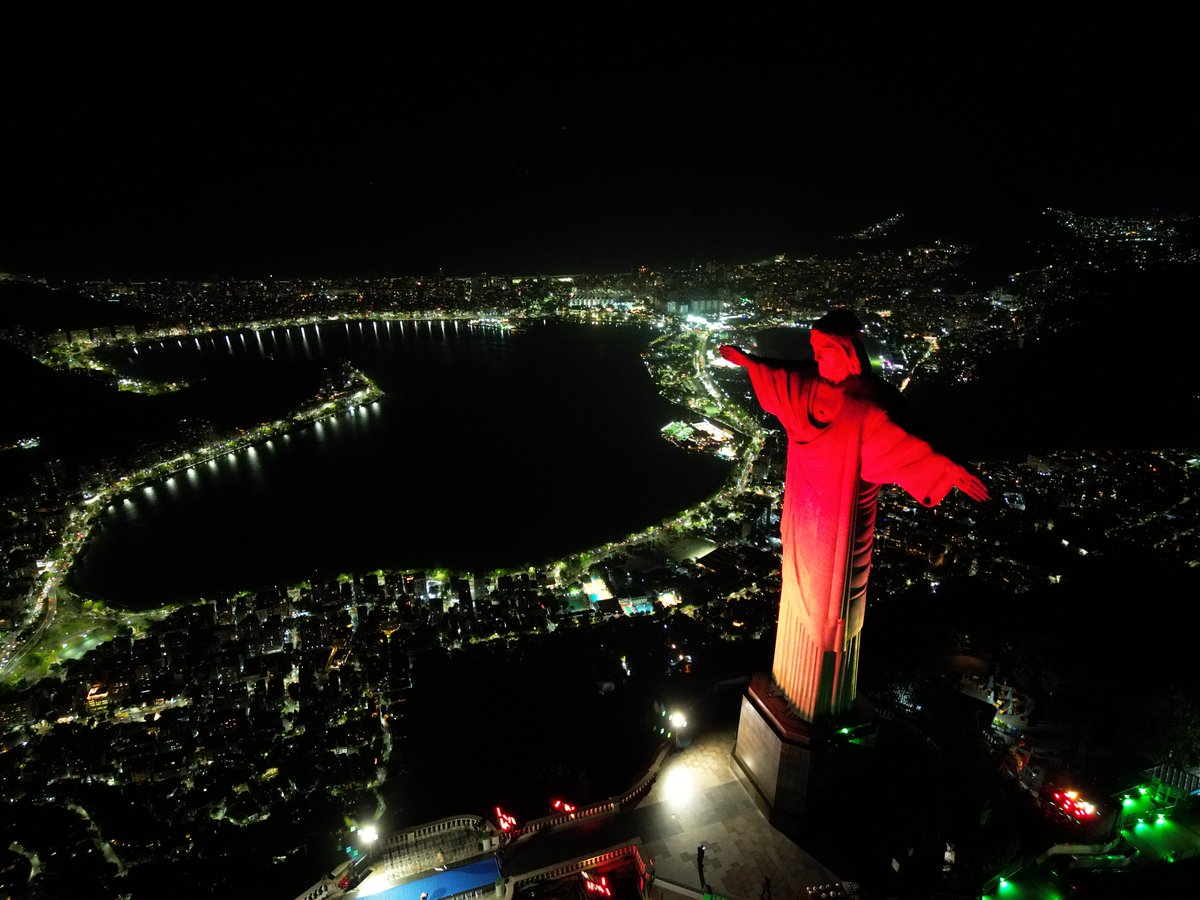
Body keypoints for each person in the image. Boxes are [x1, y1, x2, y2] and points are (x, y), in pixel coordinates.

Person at [720, 309, 988, 721]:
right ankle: (795, 689)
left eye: (824, 352)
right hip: (804, 514)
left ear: (846, 352)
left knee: (836, 612)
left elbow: (911, 441)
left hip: (840, 527)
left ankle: (823, 705)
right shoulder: (810, 390)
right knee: (794, 592)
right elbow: (783, 375)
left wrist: (948, 468)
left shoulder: (870, 404)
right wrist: (748, 362)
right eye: (814, 352)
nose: (818, 360)